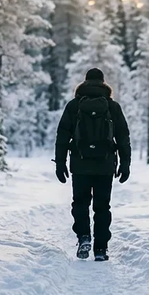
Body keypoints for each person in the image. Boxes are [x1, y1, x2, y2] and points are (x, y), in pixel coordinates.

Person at [54, 68, 131, 261]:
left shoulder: (74, 106)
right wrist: (125, 163)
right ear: (104, 83)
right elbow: (123, 137)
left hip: (80, 165)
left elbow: (62, 135)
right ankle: (101, 249)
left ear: (85, 82)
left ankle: (84, 237)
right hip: (105, 165)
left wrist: (60, 163)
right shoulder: (113, 107)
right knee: (102, 207)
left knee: (80, 203)